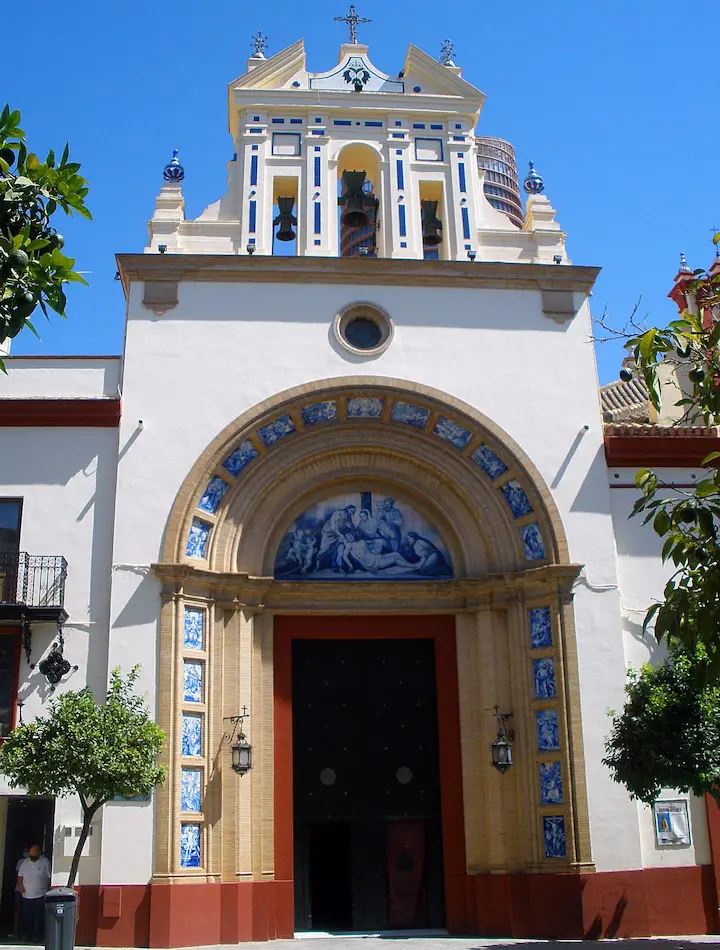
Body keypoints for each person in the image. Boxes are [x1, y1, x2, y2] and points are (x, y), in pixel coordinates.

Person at [17, 844, 51, 943]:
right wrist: (20, 887)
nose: (32, 855)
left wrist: (48, 889)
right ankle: (27, 934)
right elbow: (20, 876)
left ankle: (37, 936)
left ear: (40, 853)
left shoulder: (45, 862)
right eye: (31, 853)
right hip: (26, 895)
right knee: (27, 917)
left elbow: (49, 877)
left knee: (38, 917)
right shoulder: (25, 862)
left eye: (34, 853)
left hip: (40, 895)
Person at [341, 533, 415, 574]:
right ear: (346, 539)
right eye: (347, 537)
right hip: (372, 563)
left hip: (377, 556)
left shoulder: (362, 541)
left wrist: (380, 540)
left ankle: (411, 565)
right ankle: (414, 566)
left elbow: (373, 542)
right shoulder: (349, 545)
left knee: (396, 554)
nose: (349, 536)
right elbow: (344, 555)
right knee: (395, 559)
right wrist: (350, 565)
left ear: (353, 535)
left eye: (350, 535)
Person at [10, 845, 30, 939]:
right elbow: (17, 875)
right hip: (19, 890)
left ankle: (26, 933)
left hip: (30, 892)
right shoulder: (21, 862)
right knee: (18, 910)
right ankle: (16, 932)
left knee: (27, 912)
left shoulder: (36, 863)